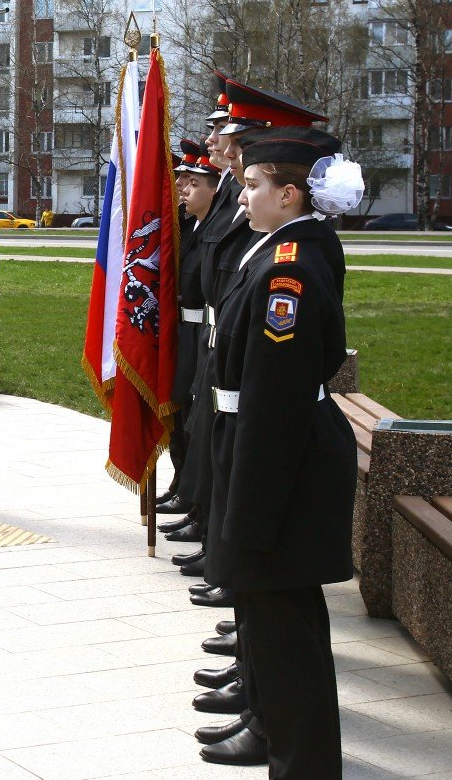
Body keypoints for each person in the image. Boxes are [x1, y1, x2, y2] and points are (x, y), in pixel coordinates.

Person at [198, 125, 362, 776]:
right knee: (274, 628)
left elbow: (276, 402)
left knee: (287, 638)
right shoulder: (278, 250)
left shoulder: (287, 272)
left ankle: (304, 764)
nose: (243, 195)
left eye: (256, 184)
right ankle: (286, 748)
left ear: (291, 194)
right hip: (261, 452)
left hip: (278, 471)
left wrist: (250, 514)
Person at [159, 138, 216, 511]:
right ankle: (181, 480)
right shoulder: (185, 224)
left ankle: (193, 491)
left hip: (201, 330)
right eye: (180, 179)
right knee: (179, 408)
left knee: (195, 412)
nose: (181, 187)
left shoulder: (214, 227)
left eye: (192, 182)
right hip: (182, 329)